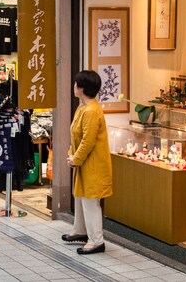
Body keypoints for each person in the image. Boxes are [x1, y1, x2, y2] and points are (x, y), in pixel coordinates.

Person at [63, 70, 113, 255]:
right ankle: (81, 231)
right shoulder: (82, 107)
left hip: (93, 165)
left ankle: (96, 240)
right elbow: (76, 136)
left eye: (76, 84)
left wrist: (75, 158)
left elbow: (88, 141)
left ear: (81, 88)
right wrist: (71, 154)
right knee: (81, 197)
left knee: (91, 202)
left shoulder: (91, 111)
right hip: (84, 163)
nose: (73, 86)